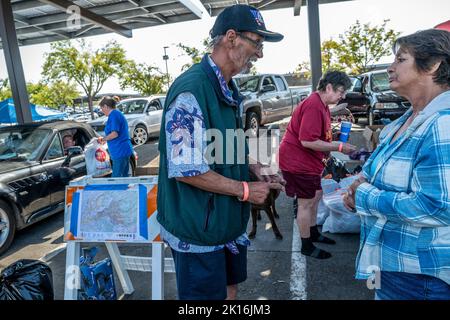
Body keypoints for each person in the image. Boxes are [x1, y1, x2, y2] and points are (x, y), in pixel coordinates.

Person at [156, 4, 285, 300]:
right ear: (230, 37)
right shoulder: (192, 90)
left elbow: (220, 146)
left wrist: (253, 167)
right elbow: (187, 170)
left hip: (225, 227)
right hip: (198, 233)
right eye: (257, 42)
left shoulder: (227, 88)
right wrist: (244, 190)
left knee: (229, 291)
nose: (260, 53)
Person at [343, 29, 450, 300]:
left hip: (421, 277)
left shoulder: (442, 124)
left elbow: (437, 207)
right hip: (389, 266)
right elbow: (371, 174)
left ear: (434, 64)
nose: (390, 68)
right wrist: (356, 189)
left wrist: (364, 196)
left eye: (400, 59)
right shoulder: (403, 122)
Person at [278, 71, 356, 259]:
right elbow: (307, 140)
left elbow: (316, 135)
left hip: (310, 162)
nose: (342, 96)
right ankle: (306, 245)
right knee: (305, 203)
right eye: (340, 91)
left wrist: (334, 138)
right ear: (328, 87)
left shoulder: (321, 105)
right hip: (298, 162)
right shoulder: (313, 105)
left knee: (317, 195)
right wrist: (338, 146)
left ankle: (312, 232)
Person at [97, 96, 133, 177]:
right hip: (122, 150)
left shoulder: (114, 115)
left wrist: (103, 139)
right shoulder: (116, 114)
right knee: (124, 177)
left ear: (106, 106)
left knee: (117, 178)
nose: (102, 110)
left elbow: (114, 134)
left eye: (102, 108)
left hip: (119, 151)